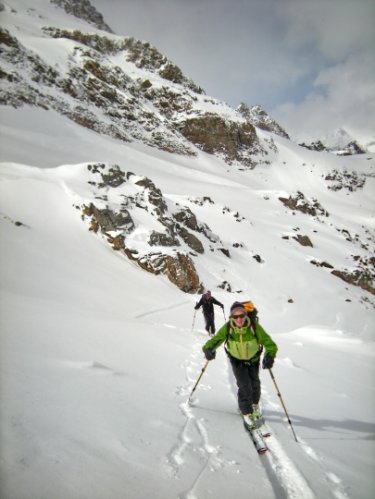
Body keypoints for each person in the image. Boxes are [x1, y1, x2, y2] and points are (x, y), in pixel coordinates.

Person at [202, 301, 277, 429]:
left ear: (246, 315)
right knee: (245, 386)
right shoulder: (228, 328)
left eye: (241, 315)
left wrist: (269, 356)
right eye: (235, 316)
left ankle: (254, 405)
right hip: (237, 361)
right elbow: (216, 340)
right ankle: (246, 412)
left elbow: (269, 343)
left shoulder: (254, 327)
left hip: (253, 360)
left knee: (255, 384)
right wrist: (208, 349)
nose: (239, 319)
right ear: (231, 317)